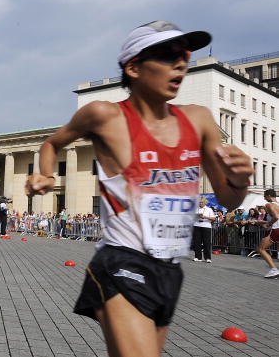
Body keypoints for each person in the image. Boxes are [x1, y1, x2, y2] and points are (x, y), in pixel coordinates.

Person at [26, 20, 252, 357]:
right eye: (168, 55)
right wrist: (45, 175)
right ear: (133, 66)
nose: (181, 63)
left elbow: (227, 198)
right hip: (122, 262)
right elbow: (52, 143)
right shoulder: (105, 115)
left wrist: (241, 179)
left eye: (186, 55)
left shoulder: (199, 120)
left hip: (171, 268)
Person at [256, 189, 279, 278]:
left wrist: (268, 224)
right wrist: (261, 222)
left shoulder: (269, 205)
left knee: (261, 249)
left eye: (265, 196)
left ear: (269, 195)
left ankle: (274, 270)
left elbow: (276, 217)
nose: (264, 198)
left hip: (276, 229)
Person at [192, 198, 215, 263]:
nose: (200, 203)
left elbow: (213, 218)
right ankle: (197, 257)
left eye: (201, 202)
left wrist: (205, 217)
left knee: (206, 242)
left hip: (206, 226)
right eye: (199, 202)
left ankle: (208, 258)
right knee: (197, 242)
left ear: (205, 203)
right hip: (196, 225)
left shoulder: (209, 209)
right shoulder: (196, 209)